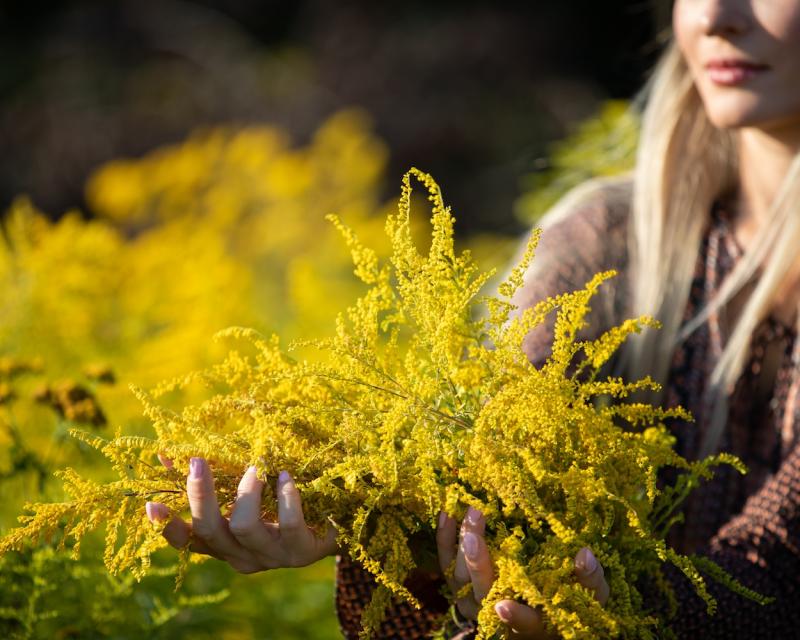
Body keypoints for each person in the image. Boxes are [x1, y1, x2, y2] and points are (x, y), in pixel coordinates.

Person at [144, 0, 800, 637]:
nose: (717, 15)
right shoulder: (603, 243)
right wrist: (362, 509)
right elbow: (497, 463)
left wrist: (625, 614)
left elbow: (782, 564)